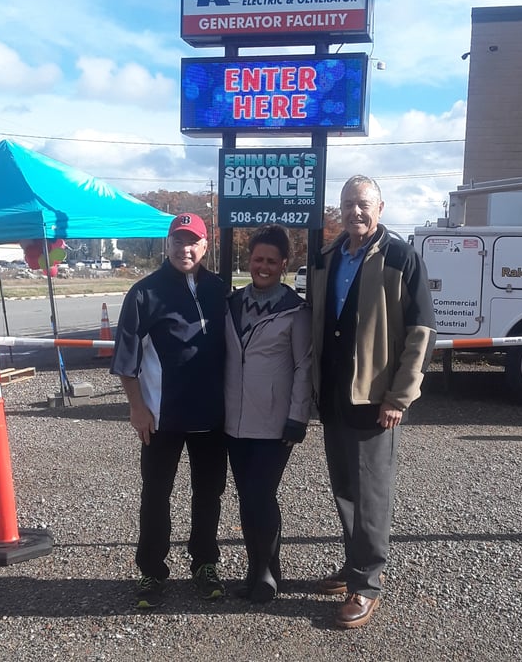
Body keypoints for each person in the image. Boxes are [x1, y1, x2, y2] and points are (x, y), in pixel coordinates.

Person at [310, 175, 436, 629]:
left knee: (371, 495)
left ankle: (366, 585)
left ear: (380, 208)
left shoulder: (401, 257)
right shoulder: (326, 258)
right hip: (335, 395)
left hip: (375, 398)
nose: (354, 213)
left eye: (363, 204)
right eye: (347, 205)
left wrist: (399, 397)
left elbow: (421, 333)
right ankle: (354, 564)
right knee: (345, 487)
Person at [110, 213, 228, 609]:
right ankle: (151, 570)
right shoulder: (144, 293)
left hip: (212, 417)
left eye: (193, 241)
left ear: (205, 245)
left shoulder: (218, 290)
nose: (185, 249)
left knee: (209, 493)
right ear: (167, 244)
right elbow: (126, 360)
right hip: (161, 419)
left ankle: (205, 563)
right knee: (156, 494)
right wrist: (137, 408)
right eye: (178, 241)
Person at [224, 225, 312, 603]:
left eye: (271, 261)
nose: (263, 266)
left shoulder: (295, 310)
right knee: (247, 497)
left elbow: (304, 367)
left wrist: (298, 417)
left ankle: (266, 572)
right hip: (233, 421)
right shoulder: (231, 303)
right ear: (249, 260)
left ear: (284, 264)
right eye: (258, 259)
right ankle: (256, 567)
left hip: (275, 423)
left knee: (261, 495)